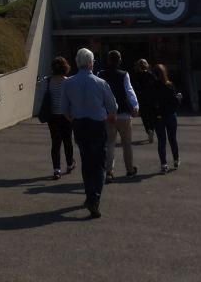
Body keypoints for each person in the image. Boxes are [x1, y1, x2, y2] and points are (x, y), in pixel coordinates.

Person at [62, 47, 117, 218]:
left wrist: (75, 120)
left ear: (77, 63)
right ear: (91, 63)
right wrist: (107, 117)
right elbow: (113, 106)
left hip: (79, 125)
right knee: (99, 164)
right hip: (96, 125)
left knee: (86, 162)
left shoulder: (68, 82)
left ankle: (89, 196)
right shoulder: (101, 83)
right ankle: (94, 199)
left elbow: (64, 109)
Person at [98, 50, 139, 180]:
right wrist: (135, 106)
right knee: (127, 143)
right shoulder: (124, 74)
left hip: (108, 114)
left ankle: (109, 171)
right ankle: (130, 169)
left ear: (108, 60)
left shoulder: (100, 74)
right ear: (119, 60)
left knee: (109, 144)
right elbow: (129, 91)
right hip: (124, 114)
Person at [45, 56, 75, 180]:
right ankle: (69, 164)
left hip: (52, 116)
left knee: (55, 143)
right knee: (67, 141)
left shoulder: (47, 81)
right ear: (65, 67)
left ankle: (56, 169)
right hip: (66, 116)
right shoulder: (68, 81)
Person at [151, 63, 182, 174]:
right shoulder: (169, 85)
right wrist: (179, 99)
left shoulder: (152, 86)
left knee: (161, 141)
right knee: (172, 139)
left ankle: (164, 164)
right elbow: (175, 102)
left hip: (158, 116)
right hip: (170, 115)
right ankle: (176, 160)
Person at [131, 58, 156, 144]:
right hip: (151, 99)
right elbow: (155, 85)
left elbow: (134, 87)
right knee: (152, 116)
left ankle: (148, 130)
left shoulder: (136, 75)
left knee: (145, 117)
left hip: (141, 99)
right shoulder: (151, 74)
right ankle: (152, 129)